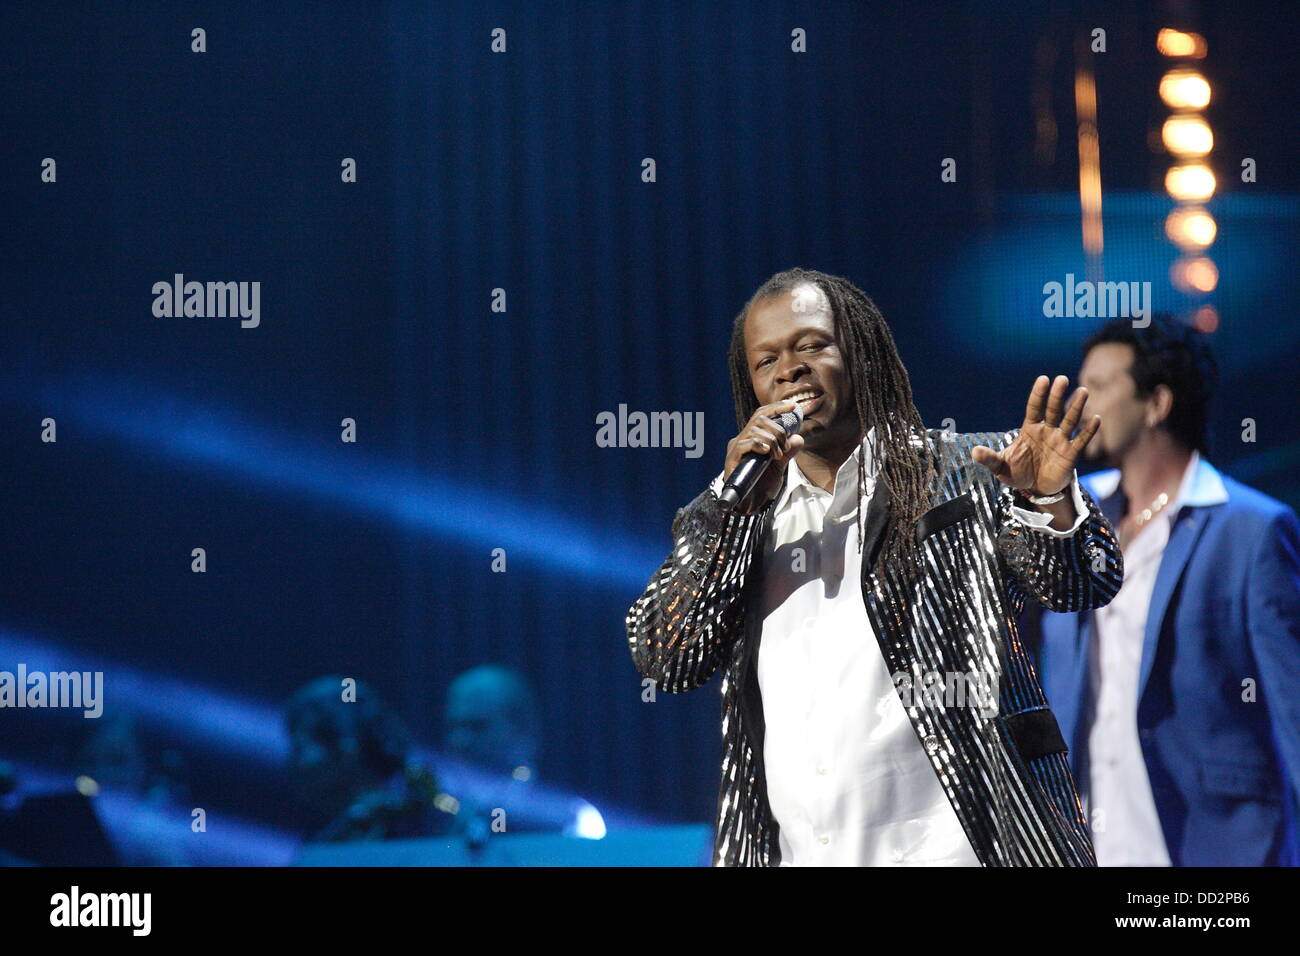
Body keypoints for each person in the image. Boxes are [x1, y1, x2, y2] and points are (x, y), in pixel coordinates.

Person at [626, 268, 1123, 866]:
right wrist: (730, 514)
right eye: (767, 361)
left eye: (812, 345)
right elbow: (667, 657)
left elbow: (1083, 582)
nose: (789, 370)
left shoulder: (971, 470)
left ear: (860, 352)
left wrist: (1048, 500)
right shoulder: (736, 512)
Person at [1029, 315, 1300, 865]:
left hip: (1214, 845)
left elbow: (1292, 707)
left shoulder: (1250, 528)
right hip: (1088, 834)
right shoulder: (1071, 514)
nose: (1078, 403)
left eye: (1100, 387)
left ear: (1157, 403)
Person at [285, 676, 461, 843]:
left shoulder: (433, 816)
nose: (295, 761)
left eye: (301, 747)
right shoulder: (324, 829)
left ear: (347, 747)